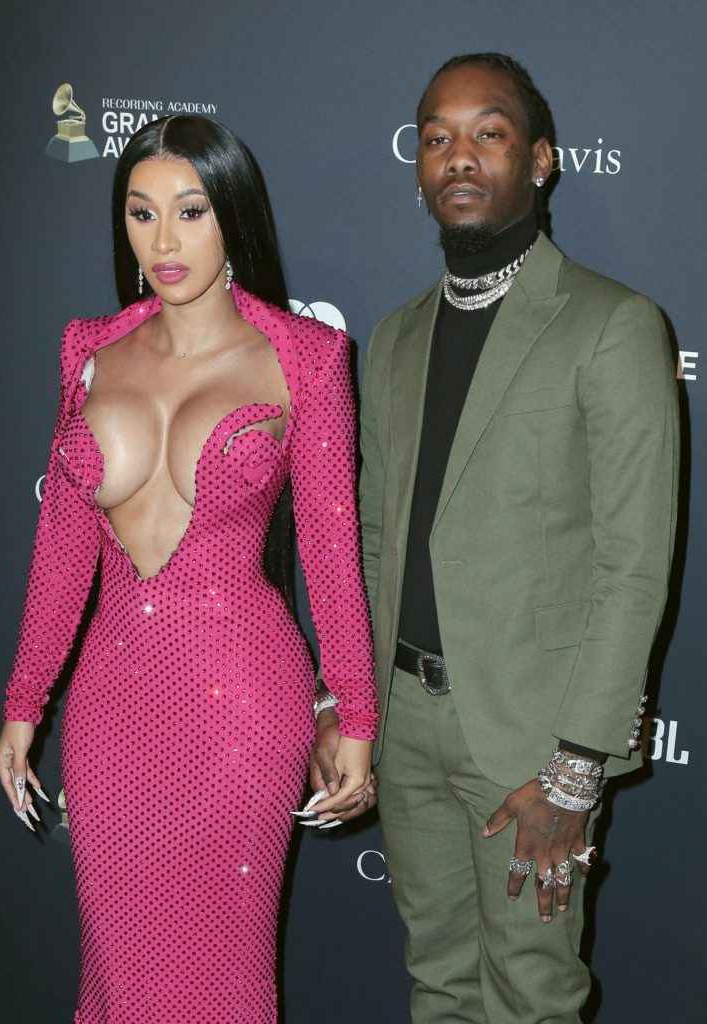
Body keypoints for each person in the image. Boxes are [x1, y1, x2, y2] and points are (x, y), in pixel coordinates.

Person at [312, 53, 679, 1022]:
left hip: (530, 738)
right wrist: (351, 702)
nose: (458, 156)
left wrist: (574, 768)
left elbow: (632, 567)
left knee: (529, 996)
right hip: (405, 723)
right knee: (437, 983)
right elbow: (375, 539)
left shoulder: (611, 325)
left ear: (540, 159)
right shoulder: (394, 338)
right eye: (437, 137)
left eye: (488, 133)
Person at [0, 114, 378, 1024]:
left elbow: (330, 552)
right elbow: (62, 547)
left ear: (231, 216)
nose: (163, 241)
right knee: (119, 971)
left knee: (223, 974)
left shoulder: (306, 357)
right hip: (110, 704)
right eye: (141, 213)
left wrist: (356, 718)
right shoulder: (87, 353)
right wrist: (23, 702)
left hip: (243, 701)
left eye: (190, 211)